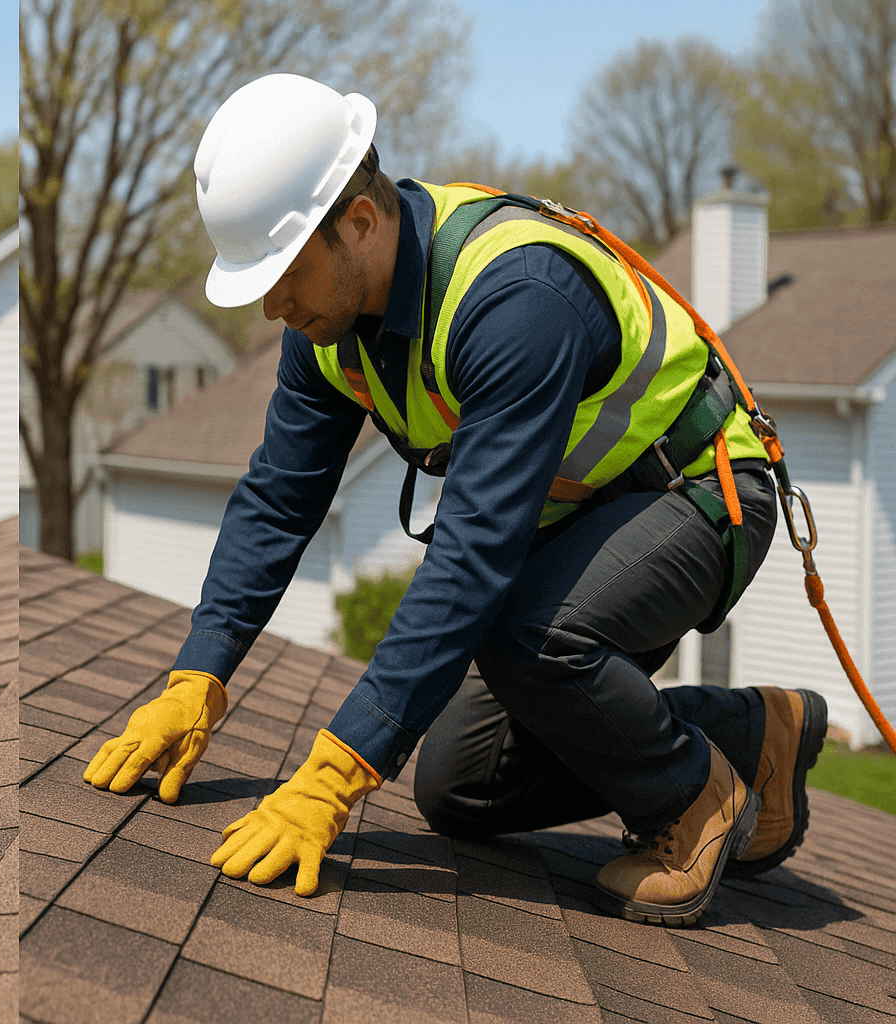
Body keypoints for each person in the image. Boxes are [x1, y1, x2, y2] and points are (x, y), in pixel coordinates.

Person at [84, 73, 827, 927]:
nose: (270, 308)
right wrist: (198, 673)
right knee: (460, 787)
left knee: (529, 635)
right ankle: (745, 734)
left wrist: (334, 774)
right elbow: (280, 500)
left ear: (359, 223)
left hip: (701, 488)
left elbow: (474, 556)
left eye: (281, 272)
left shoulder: (515, 300)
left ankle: (692, 799)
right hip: (585, 515)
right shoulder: (326, 330)